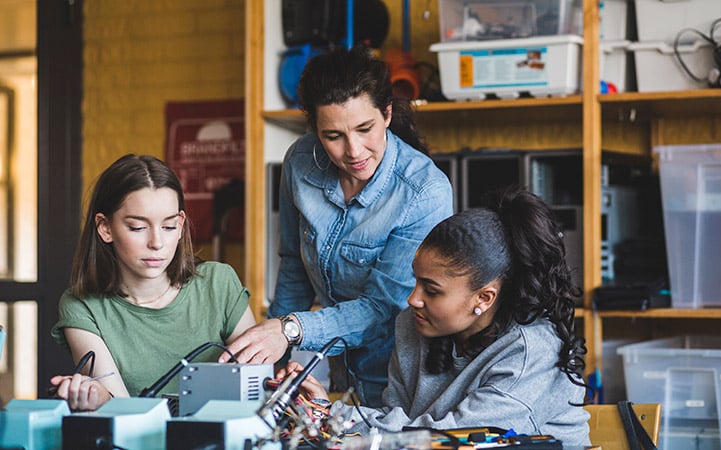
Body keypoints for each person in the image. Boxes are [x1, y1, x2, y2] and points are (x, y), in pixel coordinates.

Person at [221, 45, 454, 407]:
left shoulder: (424, 192)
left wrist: (290, 331)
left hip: (401, 376)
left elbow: (383, 310)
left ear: (387, 113)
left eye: (365, 128)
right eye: (334, 136)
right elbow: (294, 266)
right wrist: (273, 362)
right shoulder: (299, 163)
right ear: (314, 129)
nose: (354, 150)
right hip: (336, 368)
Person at [280, 185, 591, 445]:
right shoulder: (412, 326)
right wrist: (320, 411)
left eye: (431, 289)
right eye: (415, 281)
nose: (413, 299)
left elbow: (456, 441)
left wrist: (333, 418)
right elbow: (396, 428)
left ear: (483, 297)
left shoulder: (531, 351)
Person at [49, 154, 256, 411]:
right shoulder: (82, 306)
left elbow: (255, 392)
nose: (156, 243)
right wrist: (99, 399)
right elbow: (122, 411)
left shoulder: (219, 284)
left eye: (168, 227)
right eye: (137, 227)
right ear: (105, 228)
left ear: (180, 226)